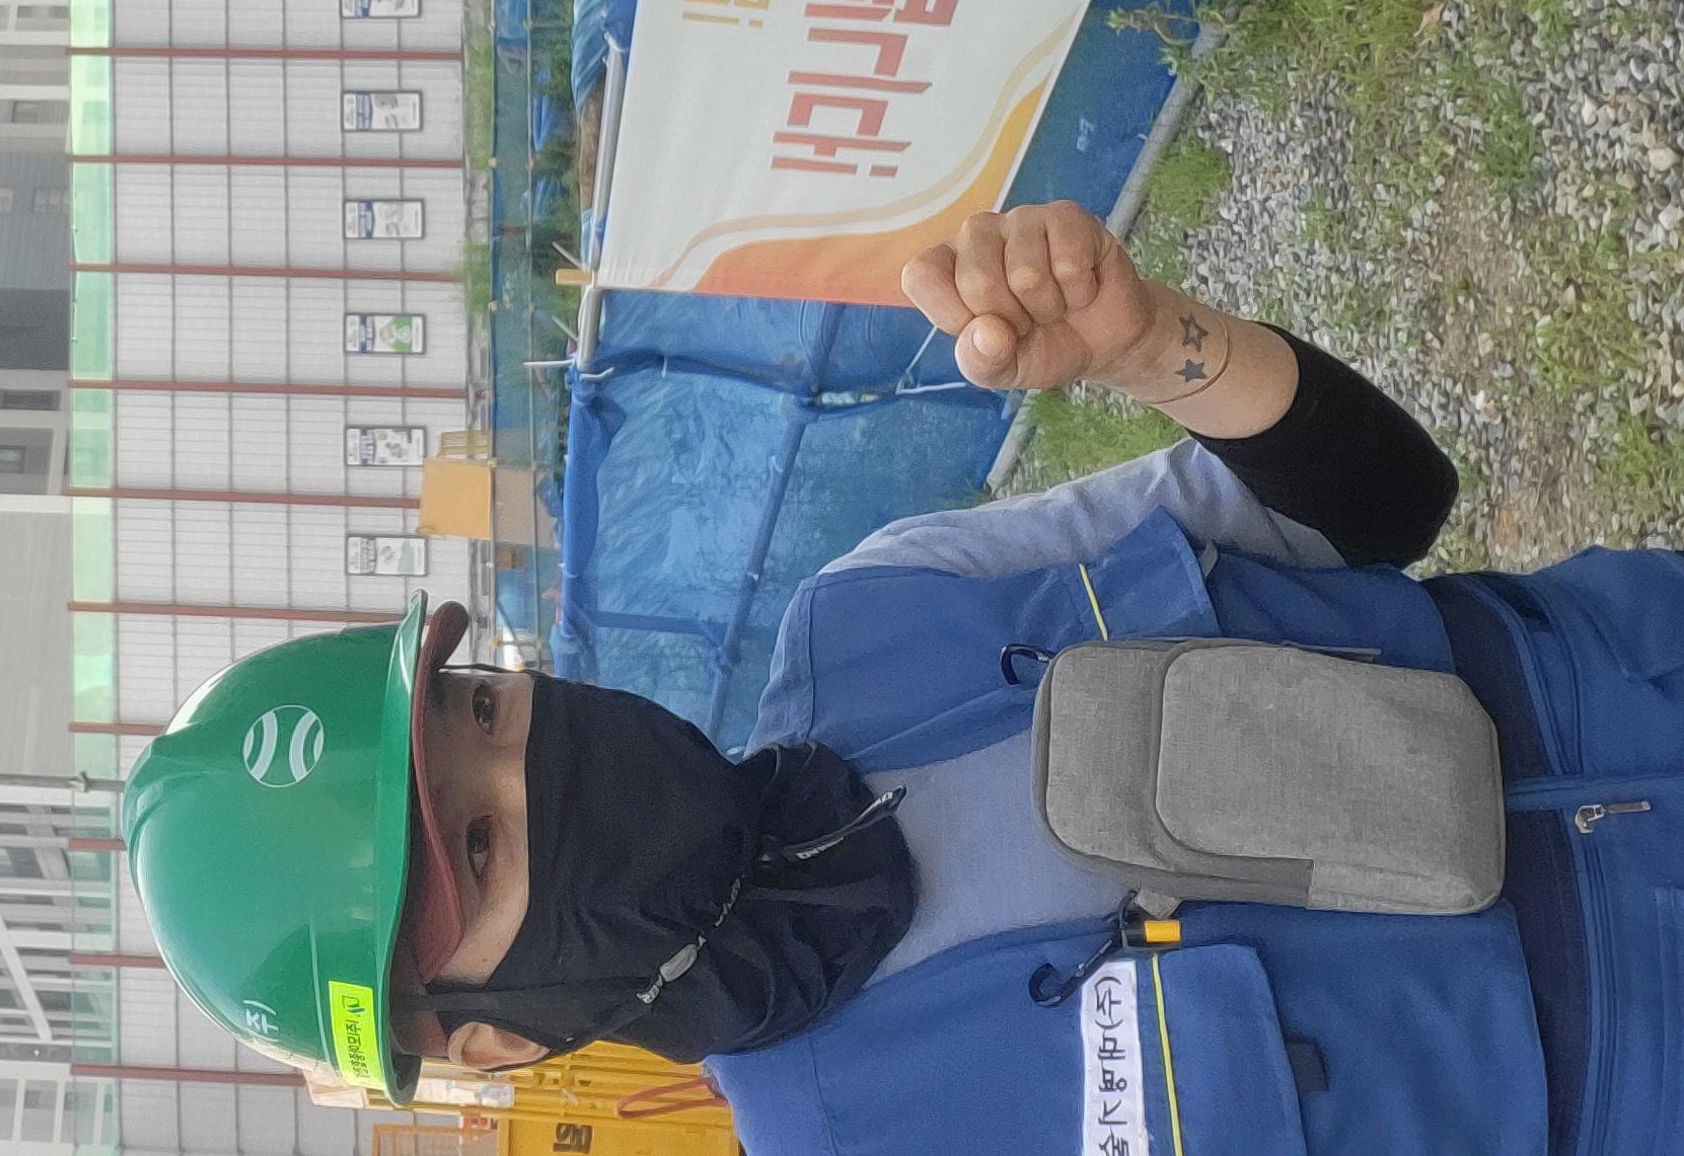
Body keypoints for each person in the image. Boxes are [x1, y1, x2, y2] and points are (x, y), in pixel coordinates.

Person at [121, 198, 1684, 1154]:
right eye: (478, 846)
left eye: (477, 711)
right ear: (491, 1040)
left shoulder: (884, 612)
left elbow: (1380, 507)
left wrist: (1153, 348)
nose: (531, 760)